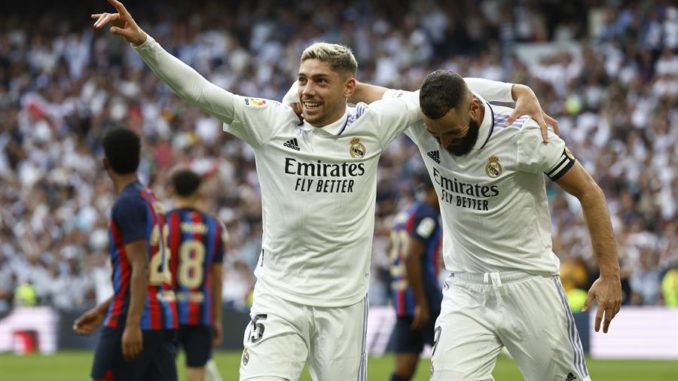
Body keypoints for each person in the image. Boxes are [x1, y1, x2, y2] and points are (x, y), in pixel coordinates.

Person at [91, 2, 555, 379]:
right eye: (301, 79)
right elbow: (200, 91)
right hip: (279, 297)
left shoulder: (374, 125)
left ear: (349, 87)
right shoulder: (270, 122)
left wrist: (515, 90)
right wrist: (145, 44)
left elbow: (442, 91)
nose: (305, 90)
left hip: (344, 307)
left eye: (319, 81)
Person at [349, 70, 622, 381]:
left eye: (452, 133)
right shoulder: (420, 118)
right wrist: (332, 91)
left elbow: (589, 191)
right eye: (435, 136)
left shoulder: (521, 134)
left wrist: (610, 273)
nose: (444, 143)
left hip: (529, 282)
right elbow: (367, 91)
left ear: (474, 109)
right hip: (466, 288)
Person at [73, 127, 178, 381]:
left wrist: (131, 325)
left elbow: (141, 266)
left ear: (105, 163)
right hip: (163, 316)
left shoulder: (126, 203)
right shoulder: (151, 199)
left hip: (134, 318)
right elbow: (144, 268)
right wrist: (100, 310)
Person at [167, 169, 226, 381]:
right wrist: (217, 319)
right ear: (199, 192)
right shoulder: (213, 227)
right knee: (196, 374)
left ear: (172, 189)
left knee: (162, 371)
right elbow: (217, 278)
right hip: (201, 313)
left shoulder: (164, 223)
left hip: (168, 312)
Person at [388, 173, 442, 381]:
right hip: (424, 300)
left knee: (403, 371)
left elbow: (393, 251)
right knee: (452, 364)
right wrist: (421, 302)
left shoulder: (406, 212)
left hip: (402, 300)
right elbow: (410, 255)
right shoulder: (427, 214)